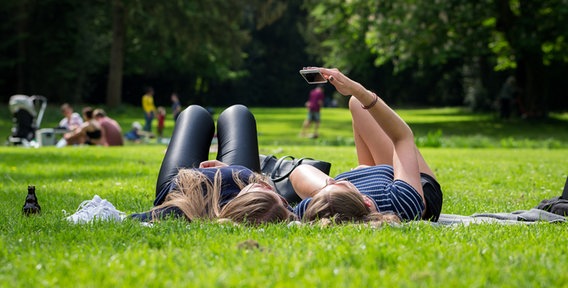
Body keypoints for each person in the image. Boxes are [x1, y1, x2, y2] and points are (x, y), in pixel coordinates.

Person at [291, 67, 443, 224]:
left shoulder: (322, 208)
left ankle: (367, 171)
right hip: (412, 182)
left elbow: (297, 177)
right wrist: (356, 90)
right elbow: (402, 138)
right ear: (366, 201)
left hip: (365, 187)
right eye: (335, 184)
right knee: (357, 103)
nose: (329, 181)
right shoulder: (402, 202)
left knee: (299, 171)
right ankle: (369, 170)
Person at [129, 104, 296, 224]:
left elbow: (134, 218)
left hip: (181, 184)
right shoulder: (265, 206)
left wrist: (229, 173)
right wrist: (228, 171)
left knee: (196, 113)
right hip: (227, 183)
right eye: (283, 200)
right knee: (238, 112)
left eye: (264, 188)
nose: (267, 186)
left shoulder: (182, 209)